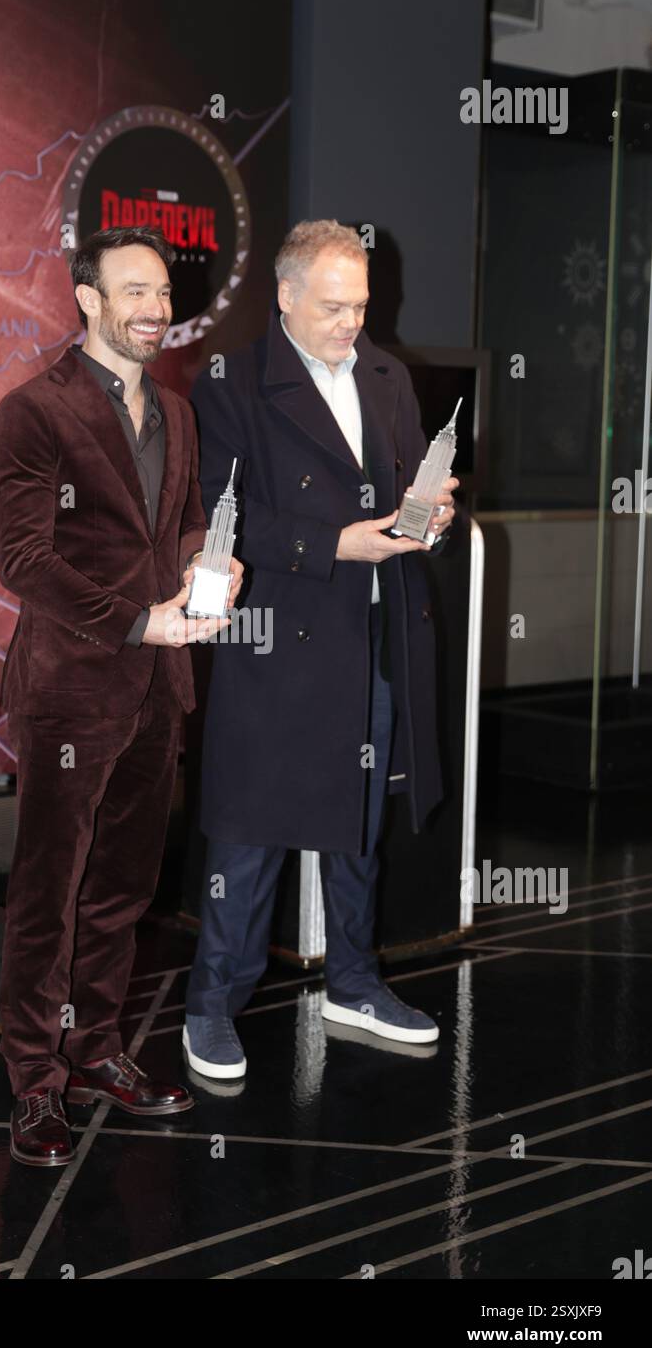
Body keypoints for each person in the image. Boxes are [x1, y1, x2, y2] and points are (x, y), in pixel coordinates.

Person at [0, 225, 241, 1165]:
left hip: (157, 690)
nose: (156, 310)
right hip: (70, 689)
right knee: (49, 892)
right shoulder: (32, 412)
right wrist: (140, 622)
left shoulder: (177, 413)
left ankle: (95, 1050)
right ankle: (34, 1081)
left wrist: (213, 564)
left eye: (163, 294)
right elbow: (24, 560)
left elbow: (184, 523)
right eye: (135, 291)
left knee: (126, 888)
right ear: (87, 299)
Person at [183, 219, 460, 1080]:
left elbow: (408, 492)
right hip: (279, 633)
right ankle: (211, 1006)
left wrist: (432, 517)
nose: (352, 323)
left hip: (371, 632)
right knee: (251, 829)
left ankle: (354, 980)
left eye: (362, 306)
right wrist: (336, 544)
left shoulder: (388, 377)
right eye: (335, 307)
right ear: (285, 295)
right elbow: (224, 515)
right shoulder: (230, 383)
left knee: (359, 822)